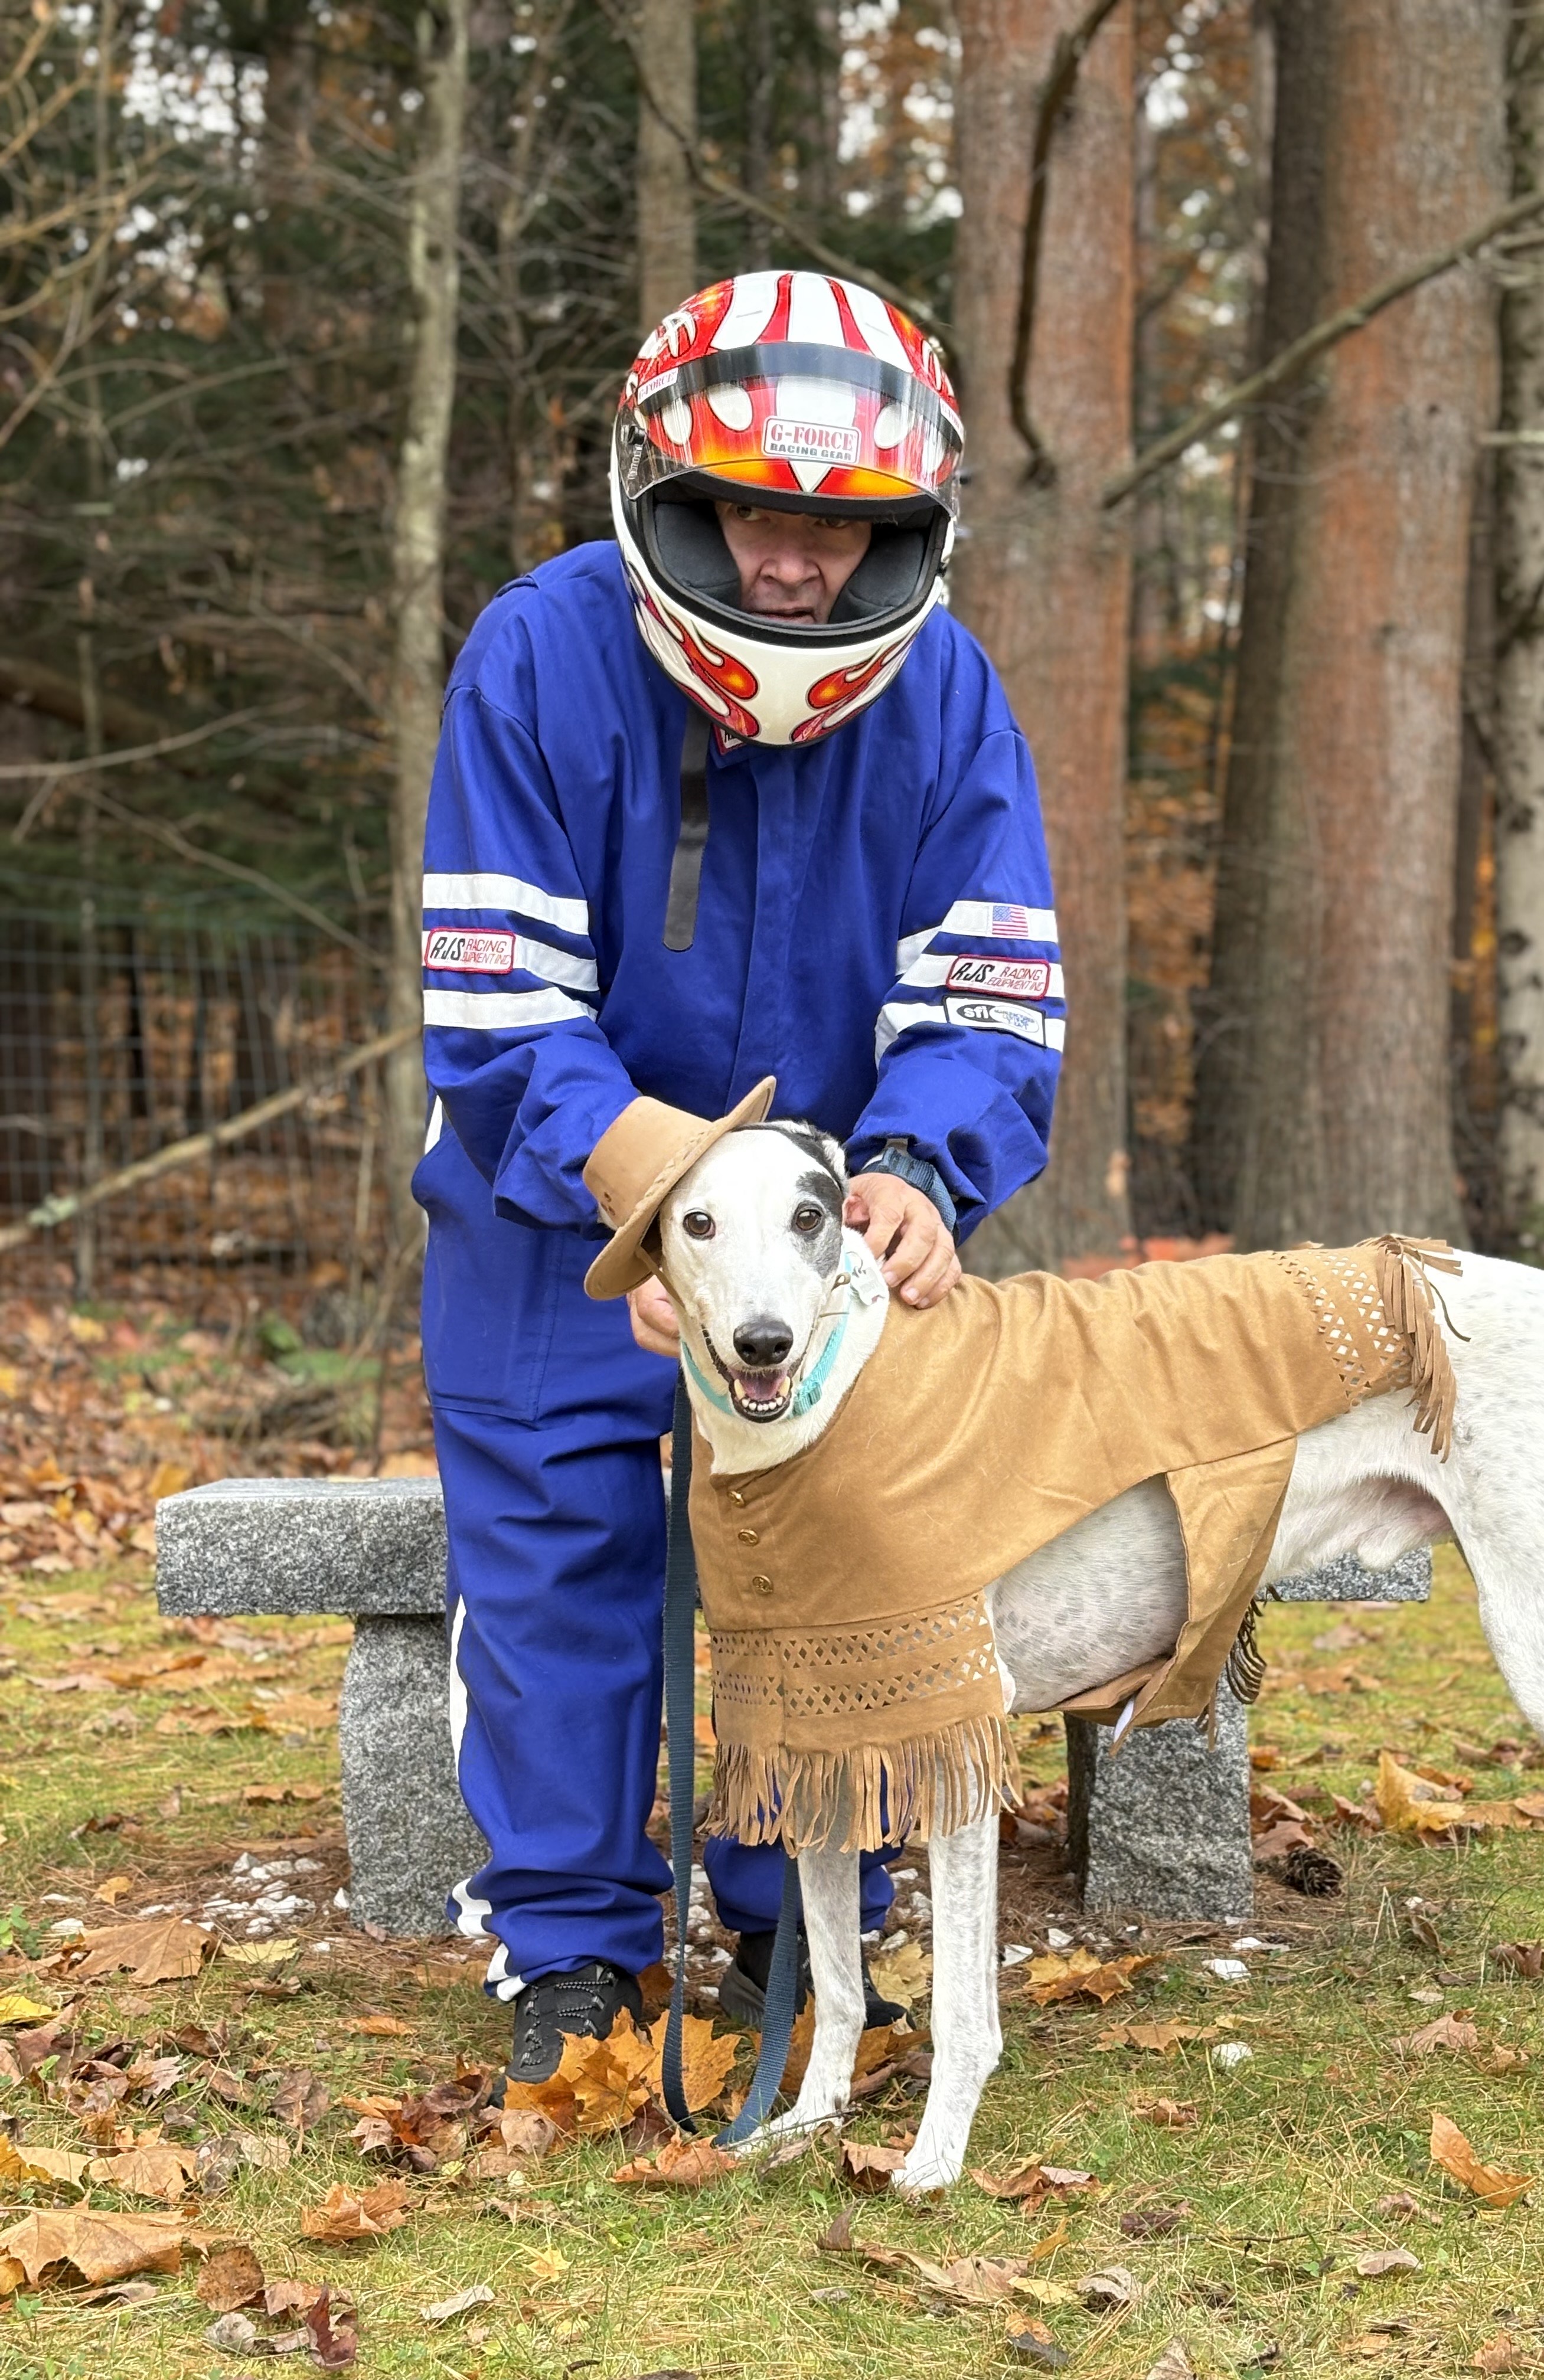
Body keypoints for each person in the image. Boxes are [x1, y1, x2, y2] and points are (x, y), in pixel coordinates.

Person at [414, 267, 1064, 2092]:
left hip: (825, 1238)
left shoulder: (947, 698)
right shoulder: (536, 656)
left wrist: (927, 1169)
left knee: (834, 1547)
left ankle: (803, 1900)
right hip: (557, 1224)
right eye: (751, 516)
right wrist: (652, 1200)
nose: (793, 567)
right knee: (563, 1554)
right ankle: (569, 1947)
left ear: (904, 532)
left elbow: (989, 985)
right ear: (669, 495)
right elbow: (499, 1009)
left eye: (844, 530)